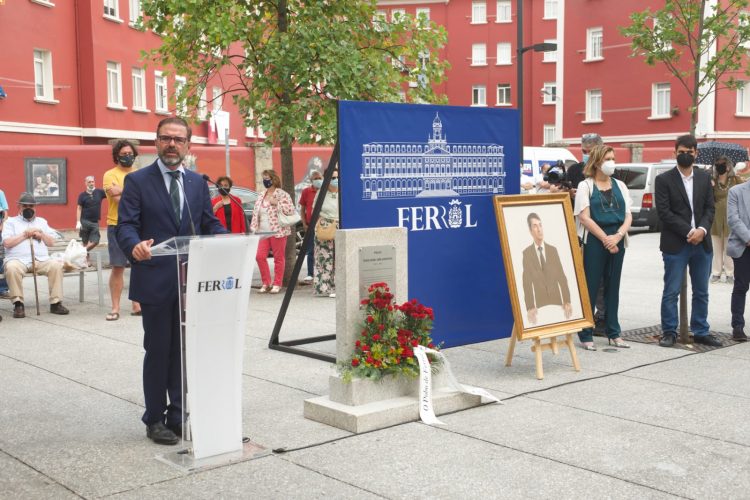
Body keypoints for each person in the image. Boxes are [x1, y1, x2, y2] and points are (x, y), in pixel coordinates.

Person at [116, 117, 227, 446]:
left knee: (183, 351)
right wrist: (133, 245)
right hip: (155, 280)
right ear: (156, 142)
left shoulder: (196, 183)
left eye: (179, 140)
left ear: (188, 145)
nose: (172, 145)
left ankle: (178, 414)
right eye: (166, 139)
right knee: (159, 350)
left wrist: (232, 241)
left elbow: (208, 223)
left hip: (191, 282)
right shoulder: (137, 181)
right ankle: (154, 418)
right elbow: (126, 225)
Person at [655, 134, 719, 348]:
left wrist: (701, 230)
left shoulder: (703, 177)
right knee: (671, 290)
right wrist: (690, 231)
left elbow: (710, 208)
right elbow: (664, 212)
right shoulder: (663, 179)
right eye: (681, 152)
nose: (685, 155)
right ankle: (669, 332)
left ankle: (701, 331)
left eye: (689, 152)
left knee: (701, 291)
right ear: (674, 153)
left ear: (695, 154)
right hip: (676, 244)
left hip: (702, 243)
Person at [574, 145, 633, 350]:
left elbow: (628, 215)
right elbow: (583, 216)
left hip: (617, 240)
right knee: (590, 287)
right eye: (608, 158)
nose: (612, 162)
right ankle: (586, 332)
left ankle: (613, 331)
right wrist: (605, 238)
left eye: (613, 158)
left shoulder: (620, 185)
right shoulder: (586, 185)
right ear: (597, 162)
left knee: (613, 286)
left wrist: (617, 236)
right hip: (595, 242)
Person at [2, 192, 70, 319]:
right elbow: (7, 243)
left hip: (40, 260)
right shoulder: (10, 222)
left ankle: (56, 303)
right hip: (18, 260)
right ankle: (18, 304)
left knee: (56, 266)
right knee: (11, 268)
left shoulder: (42, 222)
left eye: (31, 206)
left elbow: (51, 242)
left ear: (35, 207)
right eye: (25, 206)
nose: (28, 209)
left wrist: (41, 234)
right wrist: (25, 234)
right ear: (19, 207)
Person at [103, 140, 141, 321]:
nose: (128, 156)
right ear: (117, 156)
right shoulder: (109, 175)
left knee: (139, 266)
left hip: (139, 225)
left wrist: (122, 191)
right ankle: (115, 307)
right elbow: (121, 202)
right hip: (116, 225)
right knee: (118, 267)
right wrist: (131, 194)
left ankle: (137, 304)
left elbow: (141, 201)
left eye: (130, 153)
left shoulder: (140, 174)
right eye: (124, 154)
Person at [521, 212, 573, 325]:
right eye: (535, 226)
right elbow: (527, 283)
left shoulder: (553, 250)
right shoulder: (527, 254)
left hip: (557, 303)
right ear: (530, 231)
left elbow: (562, 278)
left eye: (540, 225)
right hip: (540, 305)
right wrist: (530, 306)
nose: (539, 229)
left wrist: (567, 300)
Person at [249, 169, 295, 294]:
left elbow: (291, 210)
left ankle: (277, 283)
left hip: (277, 231)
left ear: (274, 179)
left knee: (278, 258)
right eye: (263, 178)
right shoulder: (261, 195)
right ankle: (266, 282)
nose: (265, 181)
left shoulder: (282, 194)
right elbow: (255, 213)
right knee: (259, 256)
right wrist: (254, 228)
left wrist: (277, 203)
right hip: (262, 232)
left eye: (267, 178)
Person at [709, 156, 743, 284]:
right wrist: (710, 186)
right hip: (716, 218)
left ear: (728, 166)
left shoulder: (735, 180)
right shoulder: (713, 181)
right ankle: (716, 273)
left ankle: (730, 273)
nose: (720, 167)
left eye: (722, 164)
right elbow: (708, 199)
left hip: (732, 218)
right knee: (717, 247)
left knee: (729, 247)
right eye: (717, 164)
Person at [727, 179, 750, 342]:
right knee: (741, 285)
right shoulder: (736, 191)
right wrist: (749, 238)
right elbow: (733, 219)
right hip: (743, 245)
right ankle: (737, 326)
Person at [313, 169, 339, 298]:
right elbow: (314, 209)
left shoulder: (345, 191)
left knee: (340, 257)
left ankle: (338, 287)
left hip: (340, 226)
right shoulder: (321, 192)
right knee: (324, 258)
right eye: (333, 177)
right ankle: (324, 287)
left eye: (337, 177)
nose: (335, 180)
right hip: (325, 226)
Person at [298, 169, 323, 282]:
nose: (318, 181)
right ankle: (310, 273)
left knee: (323, 249)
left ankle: (322, 272)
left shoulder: (326, 190)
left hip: (323, 224)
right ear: (311, 181)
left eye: (319, 178)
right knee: (311, 249)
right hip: (310, 224)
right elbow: (302, 209)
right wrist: (304, 223)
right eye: (315, 179)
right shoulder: (306, 192)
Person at [76, 176, 107, 254]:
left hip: (94, 222)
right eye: (89, 182)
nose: (91, 183)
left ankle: (81, 252)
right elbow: (79, 208)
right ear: (85, 183)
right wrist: (78, 222)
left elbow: (110, 193)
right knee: (85, 241)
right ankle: (86, 259)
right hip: (84, 221)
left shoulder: (99, 192)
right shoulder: (82, 195)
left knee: (96, 241)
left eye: (92, 181)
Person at [0, 186, 9, 298]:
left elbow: (5, 212)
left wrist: (2, 225)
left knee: (1, 259)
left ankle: (2, 289)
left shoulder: (0, 192)